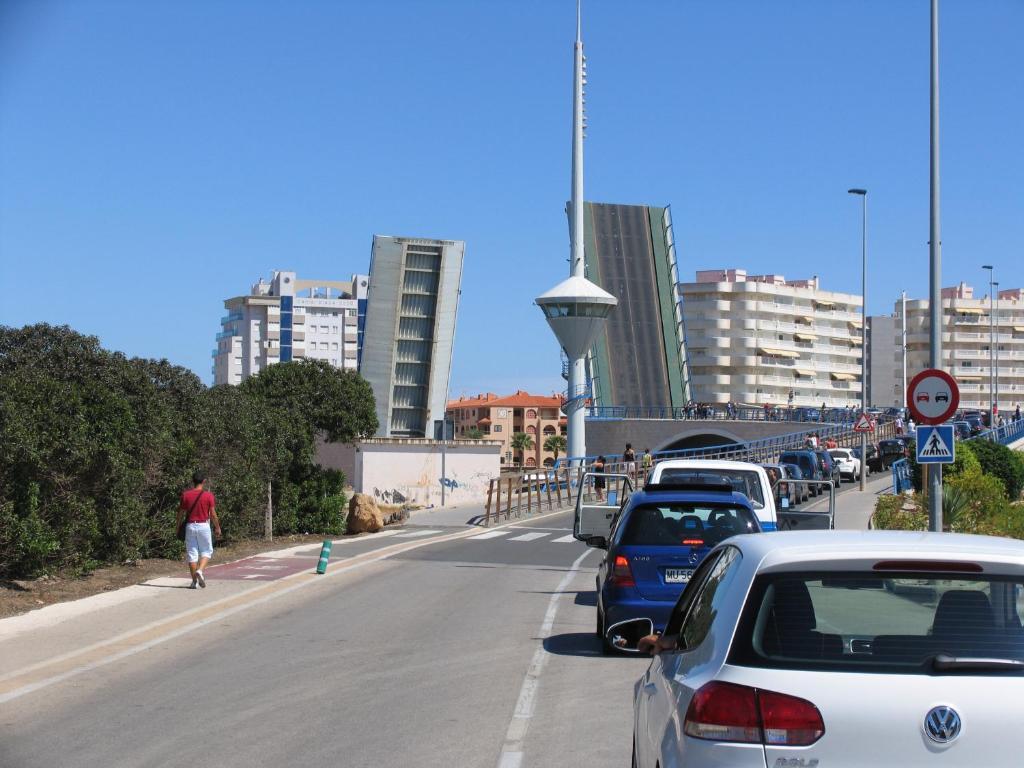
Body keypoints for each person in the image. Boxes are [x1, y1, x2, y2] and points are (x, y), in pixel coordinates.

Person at [176, 472, 221, 589]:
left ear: (193, 481)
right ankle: (200, 571)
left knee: (192, 554)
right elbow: (213, 514)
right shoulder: (208, 496)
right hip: (203, 526)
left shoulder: (185, 495)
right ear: (204, 481)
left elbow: (180, 514)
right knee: (207, 551)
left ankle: (194, 582)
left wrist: (177, 527)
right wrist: (217, 527)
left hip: (190, 526)